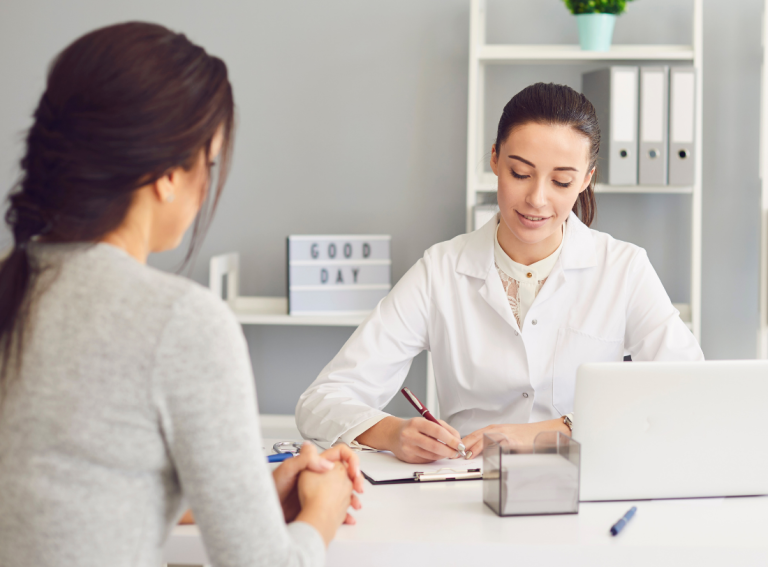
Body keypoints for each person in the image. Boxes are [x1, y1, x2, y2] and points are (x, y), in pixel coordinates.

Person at [0, 22, 363, 567]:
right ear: (168, 174)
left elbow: (69, 502)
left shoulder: (15, 287)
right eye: (208, 163)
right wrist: (323, 513)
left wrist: (252, 494)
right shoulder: (179, 322)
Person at [296, 82, 704, 464]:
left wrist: (552, 431)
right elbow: (322, 401)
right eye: (520, 174)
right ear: (494, 158)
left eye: (561, 181)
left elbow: (689, 389)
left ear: (585, 180)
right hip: (467, 490)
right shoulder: (440, 271)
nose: (537, 199)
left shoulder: (623, 269)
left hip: (584, 486)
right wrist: (392, 432)